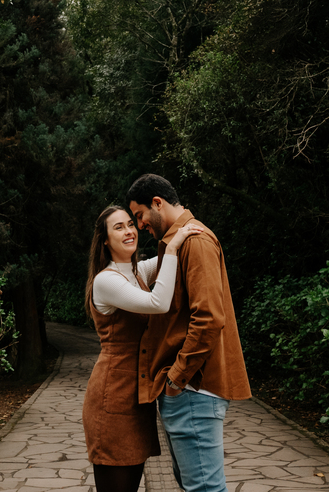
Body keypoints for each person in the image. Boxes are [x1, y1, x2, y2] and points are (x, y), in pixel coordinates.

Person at [126, 173, 251, 492]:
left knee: (204, 488)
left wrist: (176, 379)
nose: (139, 225)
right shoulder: (177, 243)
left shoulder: (195, 241)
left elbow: (208, 318)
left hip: (192, 388)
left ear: (157, 203)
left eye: (139, 215)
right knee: (195, 485)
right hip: (187, 390)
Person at [82, 204, 205, 492]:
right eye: (118, 227)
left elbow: (161, 263)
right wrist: (172, 247)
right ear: (104, 241)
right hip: (113, 396)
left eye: (130, 224)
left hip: (137, 396)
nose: (129, 231)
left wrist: (180, 220)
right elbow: (157, 303)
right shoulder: (106, 280)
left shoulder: (135, 272)